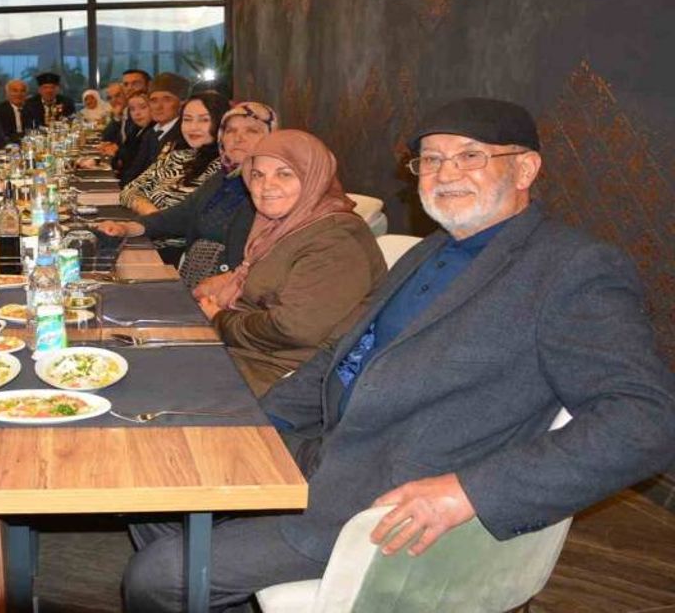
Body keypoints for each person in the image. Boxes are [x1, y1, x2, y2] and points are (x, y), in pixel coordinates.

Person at [123, 98, 675, 612]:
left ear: (526, 169)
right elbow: (340, 356)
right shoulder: (433, 249)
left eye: (471, 156)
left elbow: (645, 421)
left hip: (385, 502)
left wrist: (467, 492)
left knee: (158, 574)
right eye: (431, 159)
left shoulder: (572, 269)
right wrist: (256, 425)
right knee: (158, 490)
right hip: (326, 447)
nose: (446, 173)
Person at [191, 128, 386, 395]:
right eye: (258, 175)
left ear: (314, 177)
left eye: (284, 174)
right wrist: (228, 281)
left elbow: (293, 329)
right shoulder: (284, 224)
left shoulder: (336, 240)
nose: (266, 185)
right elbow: (273, 276)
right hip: (248, 355)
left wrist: (221, 320)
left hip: (284, 378)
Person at [99, 101, 279, 287]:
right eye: (230, 131)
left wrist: (225, 287)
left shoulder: (272, 190)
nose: (238, 138)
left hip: (230, 290)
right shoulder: (223, 177)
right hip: (196, 279)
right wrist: (128, 228)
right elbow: (182, 214)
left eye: (252, 131)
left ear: (272, 137)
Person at [120, 91, 230, 215]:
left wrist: (157, 218)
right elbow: (128, 191)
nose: (193, 127)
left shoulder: (226, 167)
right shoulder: (177, 156)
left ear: (222, 123)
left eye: (204, 120)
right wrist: (151, 212)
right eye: (187, 119)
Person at [119, 72, 189, 185]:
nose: (158, 106)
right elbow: (134, 171)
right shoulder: (151, 133)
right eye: (153, 100)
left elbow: (164, 182)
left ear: (182, 103)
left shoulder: (183, 136)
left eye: (167, 99)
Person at [112, 89, 154, 176]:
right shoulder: (135, 130)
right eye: (132, 109)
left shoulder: (152, 133)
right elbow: (122, 157)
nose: (137, 113)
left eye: (143, 107)